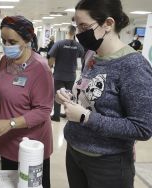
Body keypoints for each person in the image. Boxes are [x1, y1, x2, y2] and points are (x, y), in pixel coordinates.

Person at [55, 0, 152, 187]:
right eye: (77, 27)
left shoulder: (133, 66)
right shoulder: (91, 54)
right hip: (75, 151)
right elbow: (89, 93)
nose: (79, 34)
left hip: (108, 163)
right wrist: (68, 95)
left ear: (108, 24)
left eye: (84, 26)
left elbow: (143, 128)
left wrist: (86, 117)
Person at [0, 15, 54, 188]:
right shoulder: (5, 61)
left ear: (27, 40)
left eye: (12, 41)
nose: (7, 46)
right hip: (6, 140)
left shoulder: (40, 68)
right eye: (3, 40)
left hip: (29, 144)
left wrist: (10, 123)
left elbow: (43, 110)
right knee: (11, 183)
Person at [48, 25, 84, 122]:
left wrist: (48, 68)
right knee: (69, 95)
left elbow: (51, 59)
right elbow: (83, 56)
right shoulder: (78, 45)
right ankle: (69, 114)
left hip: (59, 74)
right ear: (74, 33)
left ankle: (56, 116)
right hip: (71, 75)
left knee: (58, 95)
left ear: (66, 32)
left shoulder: (59, 44)